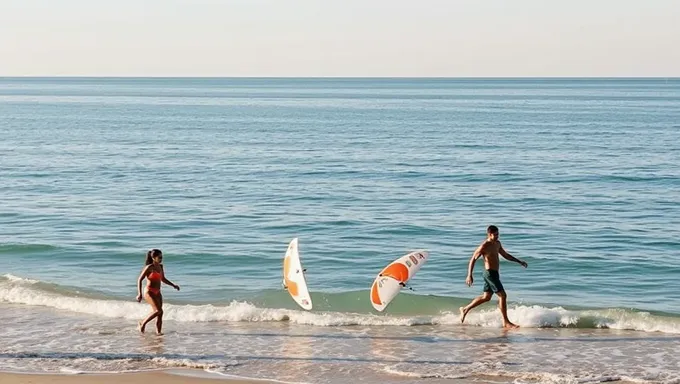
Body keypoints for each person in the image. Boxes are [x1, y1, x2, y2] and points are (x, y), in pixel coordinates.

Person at [459, 225, 527, 328]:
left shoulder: (497, 244)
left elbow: (506, 255)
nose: (497, 236)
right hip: (489, 273)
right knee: (503, 295)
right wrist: (469, 275)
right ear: (489, 234)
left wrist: (519, 261)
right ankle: (506, 322)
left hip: (495, 273)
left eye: (498, 234)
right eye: (495, 235)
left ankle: (465, 309)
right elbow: (473, 259)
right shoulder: (484, 246)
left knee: (486, 297)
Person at [136, 249, 180, 335]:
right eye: (159, 257)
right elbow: (139, 280)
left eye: (162, 257)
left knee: (160, 313)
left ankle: (158, 333)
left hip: (157, 292)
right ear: (153, 257)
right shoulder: (149, 267)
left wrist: (173, 285)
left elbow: (163, 279)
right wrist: (139, 294)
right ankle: (143, 323)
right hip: (149, 291)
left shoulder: (161, 266)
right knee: (157, 311)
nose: (161, 259)